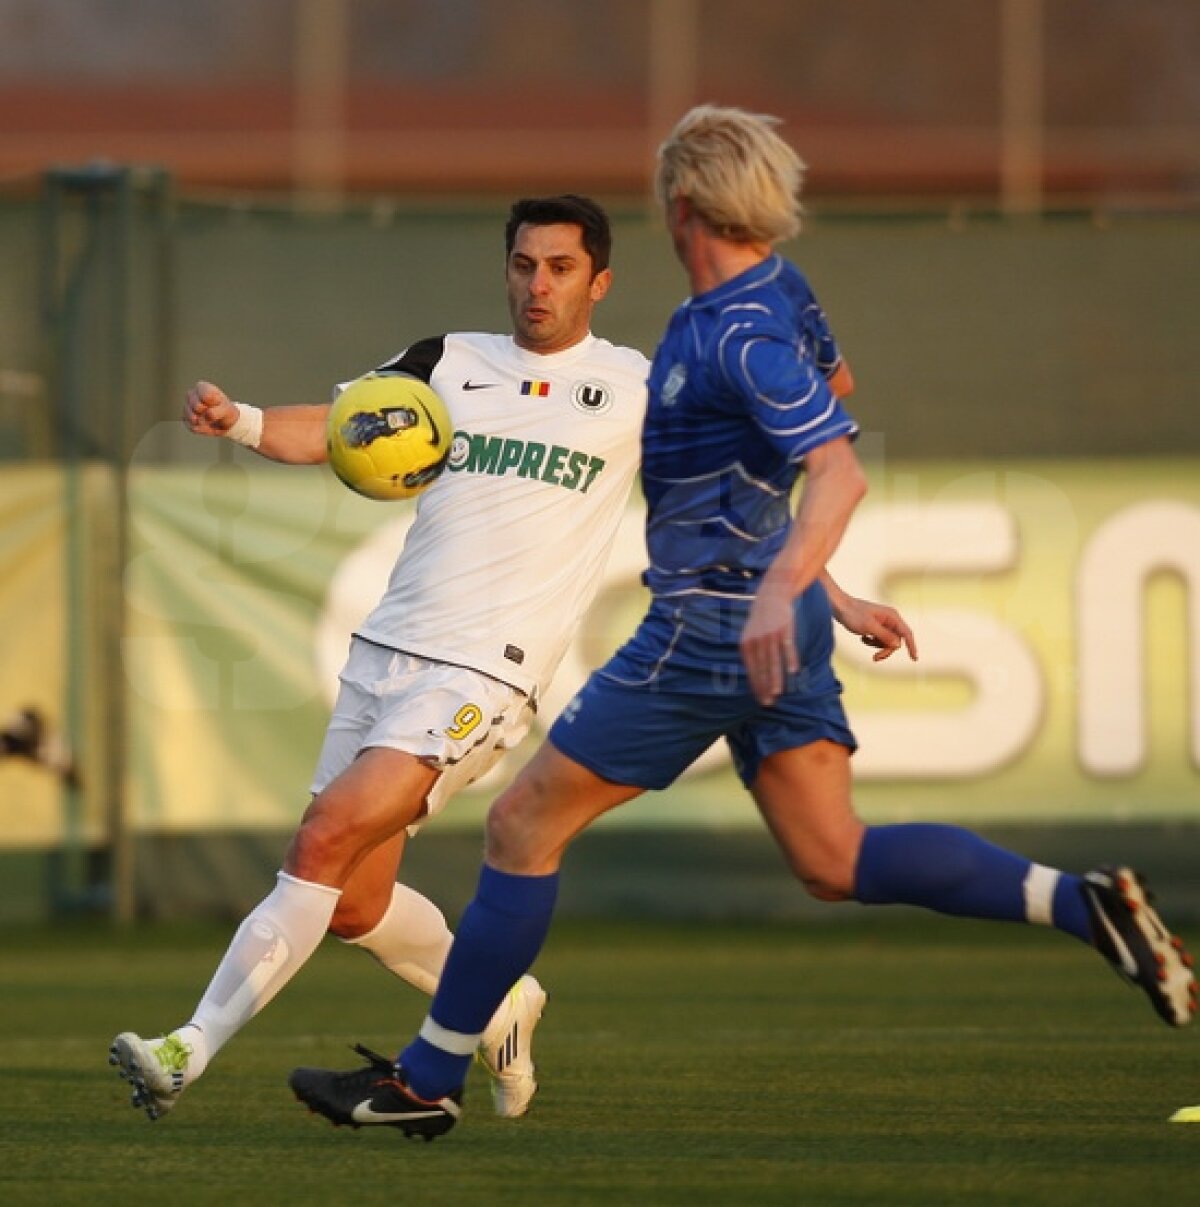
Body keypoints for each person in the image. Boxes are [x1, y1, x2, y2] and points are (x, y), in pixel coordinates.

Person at [287, 106, 1197, 1141]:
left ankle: (423, 1080)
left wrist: (781, 583)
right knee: (834, 858)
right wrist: (824, 594)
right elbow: (832, 389)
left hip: (713, 624)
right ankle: (1082, 904)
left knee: (520, 826)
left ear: (680, 207)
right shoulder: (776, 296)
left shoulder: (736, 332)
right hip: (779, 614)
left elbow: (839, 469)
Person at [108, 194, 651, 1124]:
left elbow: (750, 441)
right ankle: (503, 1003)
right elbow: (335, 426)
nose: (538, 284)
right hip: (387, 649)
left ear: (598, 280)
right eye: (524, 264)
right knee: (355, 900)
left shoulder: (637, 384)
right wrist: (238, 420)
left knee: (322, 836)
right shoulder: (449, 360)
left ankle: (183, 1049)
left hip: (487, 671)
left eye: (561, 267)